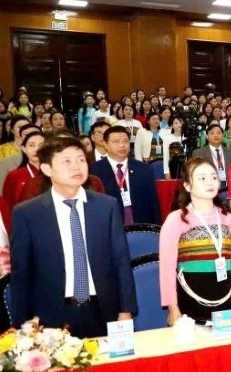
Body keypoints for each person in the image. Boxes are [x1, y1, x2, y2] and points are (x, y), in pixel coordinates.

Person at [9, 136, 137, 338]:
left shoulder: (107, 206)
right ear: (47, 169)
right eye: (66, 161)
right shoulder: (27, 214)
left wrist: (126, 310)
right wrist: (23, 324)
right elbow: (21, 274)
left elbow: (121, 262)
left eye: (81, 159)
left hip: (103, 310)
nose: (76, 166)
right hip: (49, 317)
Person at [159, 158, 231, 324]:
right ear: (187, 185)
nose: (210, 182)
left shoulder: (228, 216)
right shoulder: (176, 219)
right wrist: (173, 308)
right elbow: (167, 268)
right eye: (202, 178)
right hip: (191, 297)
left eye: (213, 177)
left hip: (228, 296)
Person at [90, 126, 161, 224]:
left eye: (125, 141)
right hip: (110, 226)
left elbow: (153, 203)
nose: (122, 145)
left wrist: (155, 229)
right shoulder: (95, 170)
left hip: (140, 227)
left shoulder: (143, 169)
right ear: (105, 144)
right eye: (116, 142)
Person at [2, 130, 44, 207]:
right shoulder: (14, 176)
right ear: (24, 149)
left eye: (41, 146)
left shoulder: (53, 173)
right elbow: (7, 206)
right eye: (31, 145)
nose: (36, 149)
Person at [192, 124, 231, 195]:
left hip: (228, 187)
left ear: (223, 135)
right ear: (207, 136)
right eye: (212, 133)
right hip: (208, 187)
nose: (216, 135)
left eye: (218, 133)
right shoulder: (198, 153)